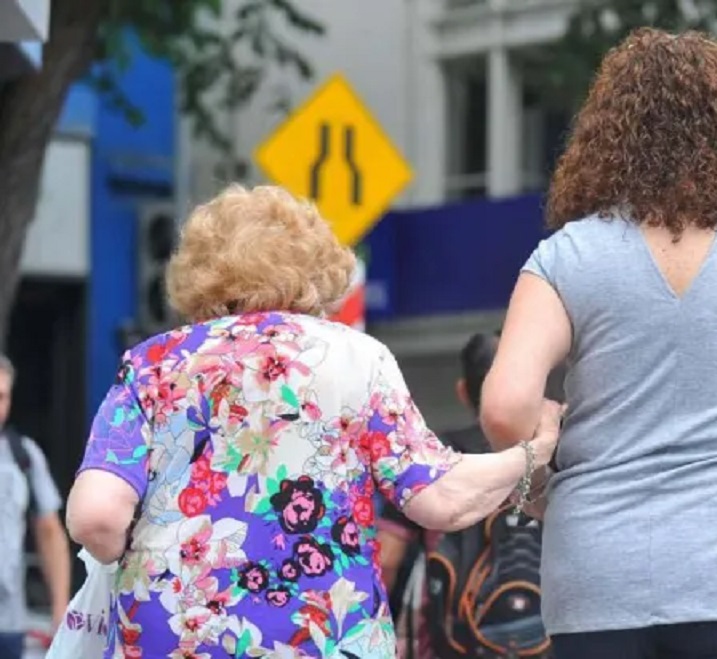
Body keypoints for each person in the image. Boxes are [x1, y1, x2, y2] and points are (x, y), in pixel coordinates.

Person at [480, 28, 717, 659]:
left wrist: (547, 489)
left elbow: (504, 408)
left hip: (597, 579)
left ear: (606, 133)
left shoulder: (568, 256)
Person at [63, 184, 564, 659]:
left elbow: (96, 518)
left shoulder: (154, 364)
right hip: (323, 636)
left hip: (172, 635)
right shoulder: (357, 359)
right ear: (321, 270)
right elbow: (438, 497)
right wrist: (535, 453)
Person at [377, 330, 503, 658]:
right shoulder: (553, 451)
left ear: (463, 392)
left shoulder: (434, 457)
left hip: (453, 642)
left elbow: (388, 557)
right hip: (549, 636)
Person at [0, 354, 71, 659]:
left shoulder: (23, 456)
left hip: (8, 625)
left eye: (1, 396)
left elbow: (50, 533)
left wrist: (61, 612)